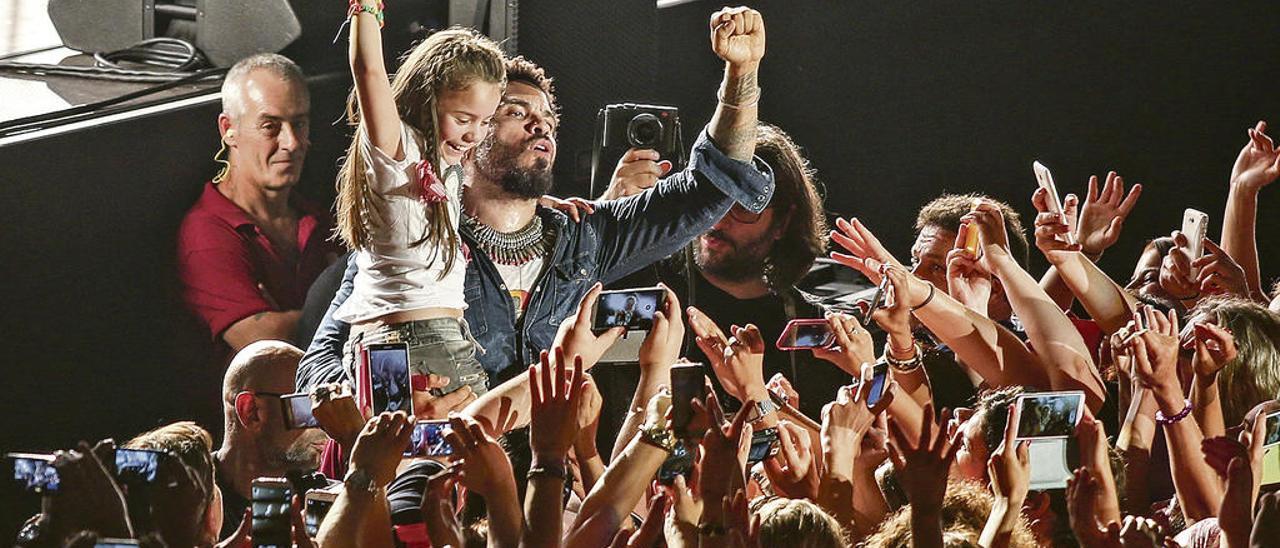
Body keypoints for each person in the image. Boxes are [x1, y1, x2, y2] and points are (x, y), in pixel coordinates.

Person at [297, 28, 775, 397]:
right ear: (470, 124)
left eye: (548, 118)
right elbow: (318, 367)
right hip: (441, 480)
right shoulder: (414, 236)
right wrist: (400, 403)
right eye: (515, 111)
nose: (539, 124)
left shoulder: (585, 238)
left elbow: (711, 187)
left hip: (548, 485)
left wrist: (742, 76)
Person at [603, 122, 847, 420]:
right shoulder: (646, 292)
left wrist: (766, 408)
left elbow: (833, 445)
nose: (717, 221)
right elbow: (561, 328)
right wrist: (608, 220)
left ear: (783, 222)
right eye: (712, 200)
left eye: (741, 207)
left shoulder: (811, 326)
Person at [331, 17, 507, 398]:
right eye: (463, 119)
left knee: (403, 456)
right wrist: (366, 9)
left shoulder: (445, 164)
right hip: (421, 341)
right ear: (428, 97)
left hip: (396, 342)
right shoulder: (399, 149)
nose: (474, 134)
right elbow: (369, 70)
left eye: (485, 122)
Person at [176, 53, 340, 354]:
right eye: (270, 126)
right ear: (228, 129)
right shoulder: (206, 233)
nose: (291, 142)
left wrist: (297, 320)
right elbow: (264, 343)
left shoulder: (319, 219)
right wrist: (346, 302)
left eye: (299, 123)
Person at [213, 340, 327, 539]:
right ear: (251, 411)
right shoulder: (188, 498)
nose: (323, 423)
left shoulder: (320, 495)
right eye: (305, 406)